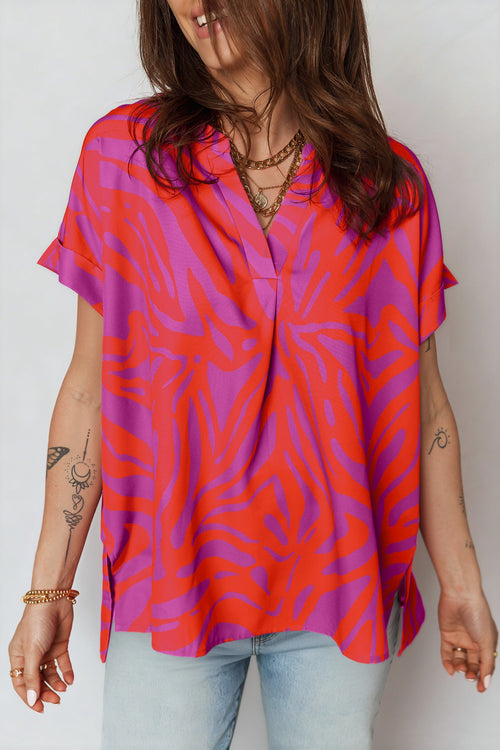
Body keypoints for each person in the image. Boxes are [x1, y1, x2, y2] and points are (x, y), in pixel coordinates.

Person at [8, 1, 498, 748]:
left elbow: (423, 409)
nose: (199, 5)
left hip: (341, 585)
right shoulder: (125, 160)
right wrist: (49, 587)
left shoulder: (387, 186)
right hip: (171, 580)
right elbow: (89, 386)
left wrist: (461, 585)